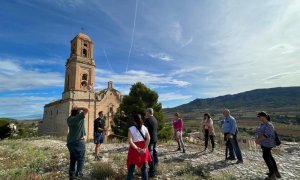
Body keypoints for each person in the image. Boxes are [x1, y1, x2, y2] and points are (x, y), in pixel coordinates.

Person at [256, 111, 281, 180]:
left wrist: (258, 140)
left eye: (260, 116)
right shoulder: (263, 124)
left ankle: (272, 175)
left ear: (264, 116)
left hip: (268, 144)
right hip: (264, 143)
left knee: (266, 157)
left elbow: (266, 135)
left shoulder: (269, 125)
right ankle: (275, 172)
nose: (259, 118)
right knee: (270, 157)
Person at [127, 114, 152, 180]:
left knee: (131, 168)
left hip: (134, 148)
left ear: (134, 120)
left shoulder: (131, 129)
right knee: (144, 168)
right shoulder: (145, 127)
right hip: (143, 147)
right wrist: (144, 148)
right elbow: (148, 138)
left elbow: (130, 141)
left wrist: (137, 148)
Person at [66, 106, 88, 179]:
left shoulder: (69, 119)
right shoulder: (78, 118)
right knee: (81, 159)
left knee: (73, 159)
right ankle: (79, 175)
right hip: (78, 141)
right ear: (78, 113)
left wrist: (75, 109)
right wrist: (79, 107)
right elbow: (86, 110)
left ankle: (71, 176)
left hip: (70, 142)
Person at [144, 108, 158, 178]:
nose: (145, 113)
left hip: (150, 140)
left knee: (150, 155)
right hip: (155, 138)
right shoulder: (155, 119)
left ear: (148, 112)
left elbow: (145, 131)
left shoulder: (147, 120)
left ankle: (152, 172)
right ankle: (156, 164)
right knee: (154, 152)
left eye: (146, 112)